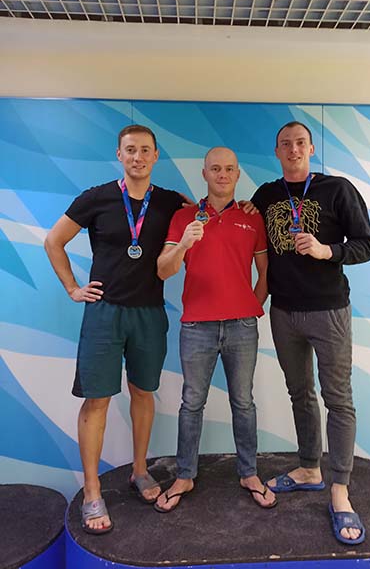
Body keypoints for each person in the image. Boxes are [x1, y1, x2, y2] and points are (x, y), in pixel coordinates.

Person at [44, 124, 185, 534]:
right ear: (119, 155)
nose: (138, 157)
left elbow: (208, 212)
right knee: (97, 401)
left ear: (155, 156)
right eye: (130, 150)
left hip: (149, 313)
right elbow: (53, 241)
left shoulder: (170, 202)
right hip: (104, 313)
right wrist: (73, 288)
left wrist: (244, 207)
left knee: (143, 393)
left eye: (145, 150)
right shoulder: (97, 198)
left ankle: (140, 470)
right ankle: (92, 491)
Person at [251, 121, 370, 545]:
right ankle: (309, 468)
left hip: (329, 311)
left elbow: (367, 244)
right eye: (285, 144)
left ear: (310, 148)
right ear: (277, 151)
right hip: (284, 312)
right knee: (300, 393)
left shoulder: (336, 189)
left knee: (338, 399)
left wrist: (328, 251)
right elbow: (241, 223)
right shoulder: (266, 195)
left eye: (300, 143)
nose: (293, 149)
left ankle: (339, 489)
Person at [154, 146, 277, 512]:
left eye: (229, 169)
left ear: (237, 174)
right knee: (192, 403)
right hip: (197, 326)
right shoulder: (184, 217)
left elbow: (265, 273)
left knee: (244, 402)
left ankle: (249, 473)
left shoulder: (252, 218)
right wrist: (184, 244)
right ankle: (184, 475)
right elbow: (163, 270)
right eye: (215, 169)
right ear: (204, 173)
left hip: (242, 326)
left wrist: (252, 308)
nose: (222, 175)